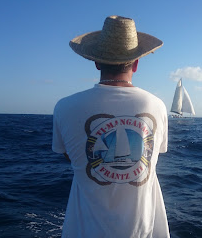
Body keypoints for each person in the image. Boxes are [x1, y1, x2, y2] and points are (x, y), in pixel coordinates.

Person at [52, 15, 169, 238]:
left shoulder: (64, 107)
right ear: (136, 63)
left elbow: (71, 155)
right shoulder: (157, 106)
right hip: (143, 231)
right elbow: (152, 153)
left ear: (96, 62)